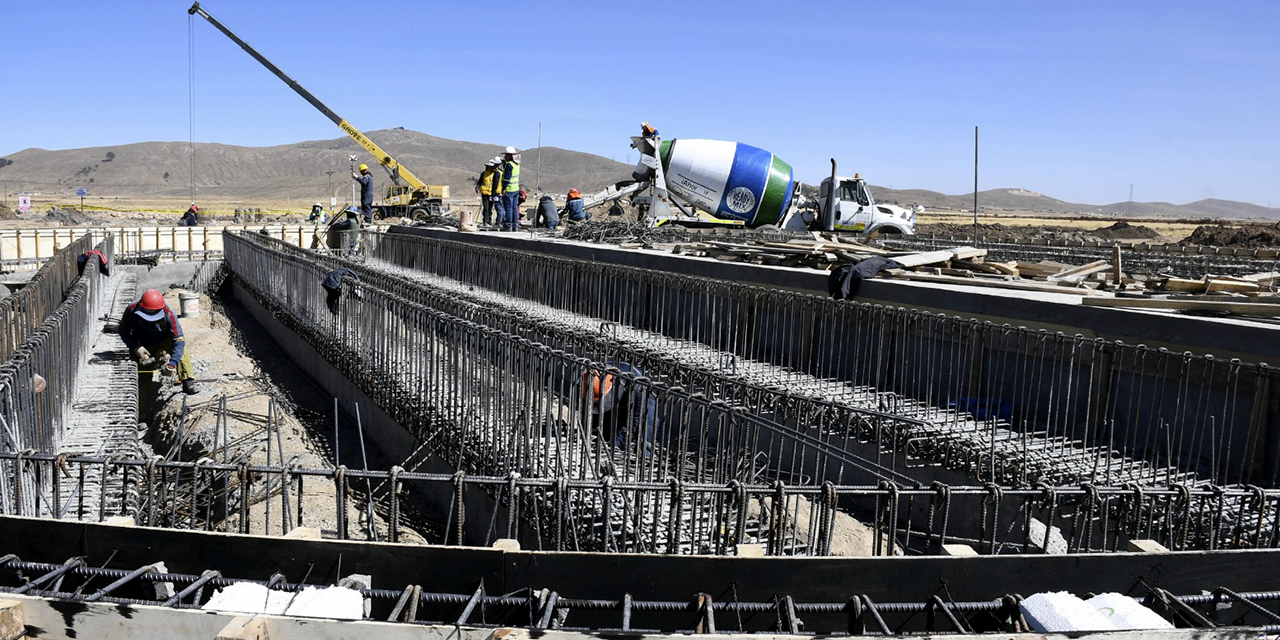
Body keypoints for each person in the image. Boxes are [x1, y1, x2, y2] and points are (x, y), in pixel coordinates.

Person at [120, 289, 198, 395]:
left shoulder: (169, 313)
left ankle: (188, 380)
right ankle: (143, 409)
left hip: (163, 340)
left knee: (181, 349)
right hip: (143, 344)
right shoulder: (131, 309)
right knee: (143, 380)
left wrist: (172, 364)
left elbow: (179, 340)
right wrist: (136, 347)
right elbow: (123, 331)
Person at [583, 362, 658, 457]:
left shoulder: (639, 389)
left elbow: (633, 423)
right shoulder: (591, 378)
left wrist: (615, 443)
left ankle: (645, 455)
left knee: (648, 421)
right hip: (620, 396)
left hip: (640, 401)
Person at [498, 147, 521, 231]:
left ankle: (508, 225)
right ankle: (515, 225)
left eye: (506, 155)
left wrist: (503, 188)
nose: (505, 157)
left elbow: (507, 179)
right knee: (515, 208)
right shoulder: (517, 164)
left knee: (508, 209)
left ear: (510, 156)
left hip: (509, 189)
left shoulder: (509, 165)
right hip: (516, 189)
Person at [476, 159, 498, 226]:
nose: (490, 168)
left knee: (490, 208)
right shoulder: (484, 173)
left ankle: (489, 221)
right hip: (485, 193)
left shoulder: (495, 173)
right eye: (488, 166)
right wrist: (477, 187)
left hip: (492, 193)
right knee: (486, 207)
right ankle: (485, 221)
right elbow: (480, 182)